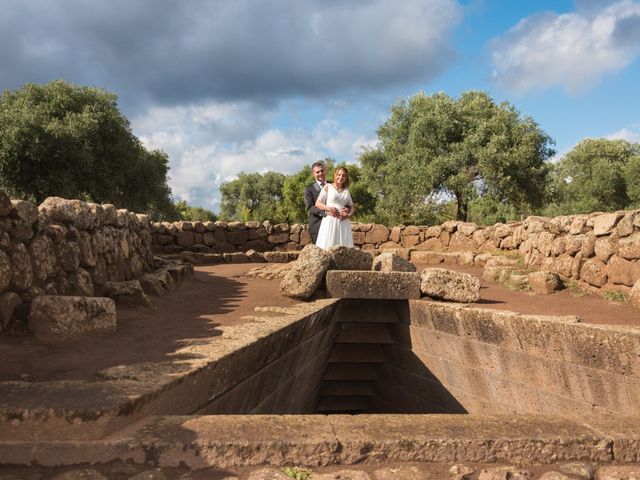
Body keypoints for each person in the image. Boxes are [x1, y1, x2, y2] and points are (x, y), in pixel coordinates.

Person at [314, 166, 354, 249]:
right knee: (327, 246)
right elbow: (318, 203)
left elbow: (352, 207)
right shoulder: (328, 186)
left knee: (344, 248)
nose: (341, 177)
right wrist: (329, 208)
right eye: (338, 175)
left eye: (343, 175)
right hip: (330, 220)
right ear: (335, 175)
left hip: (343, 222)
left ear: (346, 177)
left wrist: (348, 215)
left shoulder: (347, 190)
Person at [303, 161, 328, 244]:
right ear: (313, 174)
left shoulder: (333, 185)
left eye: (322, 170)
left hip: (333, 224)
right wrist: (325, 212)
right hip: (317, 225)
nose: (320, 173)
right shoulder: (309, 188)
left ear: (325, 171)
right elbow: (310, 207)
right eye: (317, 172)